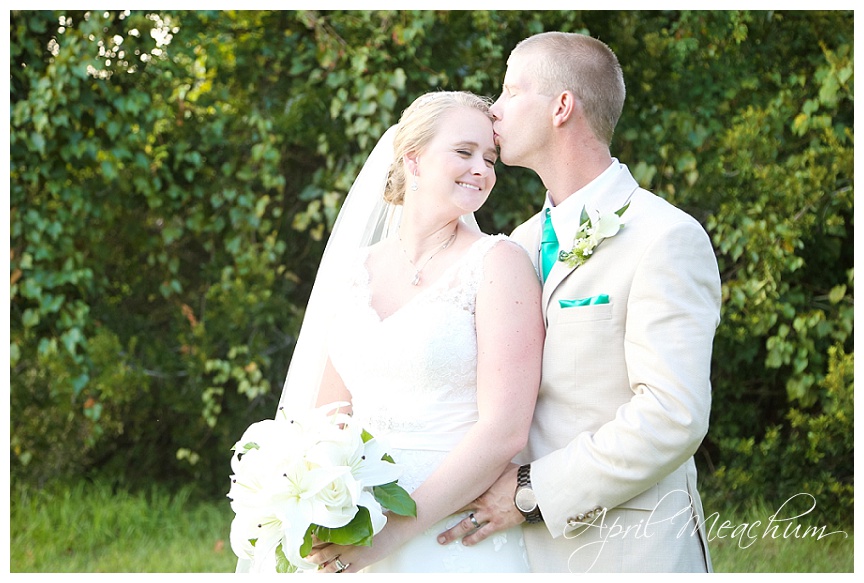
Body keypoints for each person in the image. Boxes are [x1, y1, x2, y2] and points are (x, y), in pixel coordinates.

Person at [437, 32, 722, 573]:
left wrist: (530, 492)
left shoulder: (664, 237)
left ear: (561, 107)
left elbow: (672, 415)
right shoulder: (512, 246)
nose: (492, 112)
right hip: (512, 556)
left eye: (510, 92)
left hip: (628, 548)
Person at [280, 91, 545, 572]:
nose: (482, 169)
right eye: (464, 152)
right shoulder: (355, 271)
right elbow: (329, 416)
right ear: (414, 160)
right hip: (355, 518)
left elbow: (504, 431)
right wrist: (321, 503)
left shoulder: (497, 263)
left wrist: (389, 536)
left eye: (490, 158)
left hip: (453, 531)